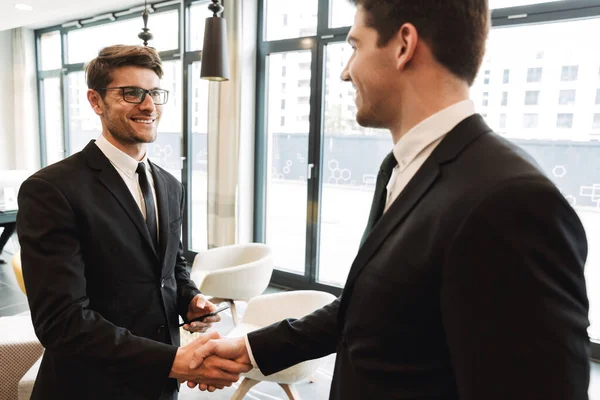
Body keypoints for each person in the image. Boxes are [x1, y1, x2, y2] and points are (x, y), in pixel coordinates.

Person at [187, 1, 591, 399]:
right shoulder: (399, 168)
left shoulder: (512, 201)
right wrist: (253, 348)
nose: (346, 72)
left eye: (355, 46)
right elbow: (373, 306)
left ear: (404, 45)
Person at [16, 45, 250, 400]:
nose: (148, 105)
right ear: (96, 101)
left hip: (158, 387)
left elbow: (171, 266)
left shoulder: (170, 185)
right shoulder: (52, 189)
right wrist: (175, 360)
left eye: (155, 93)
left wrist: (189, 299)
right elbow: (62, 323)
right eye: (131, 93)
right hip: (88, 387)